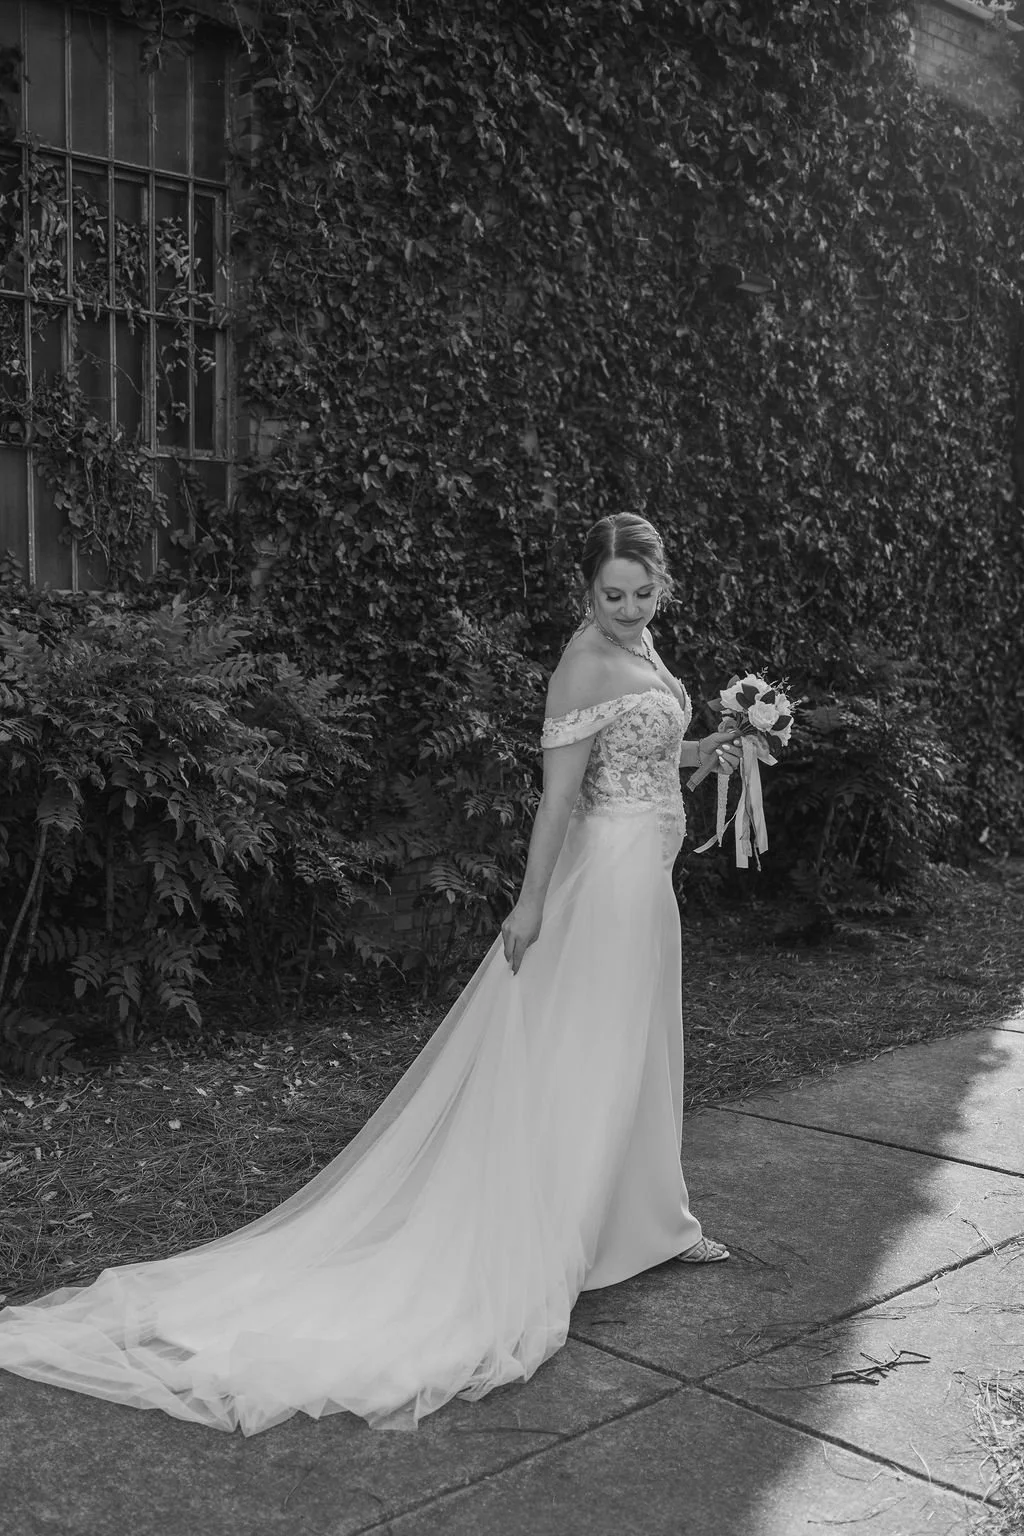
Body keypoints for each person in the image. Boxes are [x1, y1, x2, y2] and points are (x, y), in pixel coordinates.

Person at [0, 513, 740, 1436]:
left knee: (636, 1052)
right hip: (608, 888)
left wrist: (717, 747)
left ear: (661, 587)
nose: (629, 611)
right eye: (611, 596)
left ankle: (645, 1222)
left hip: (647, 881)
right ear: (584, 593)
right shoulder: (583, 665)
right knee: (587, 1053)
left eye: (642, 595)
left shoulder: (644, 649)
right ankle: (563, 1236)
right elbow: (559, 798)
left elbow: (653, 760)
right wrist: (530, 903)